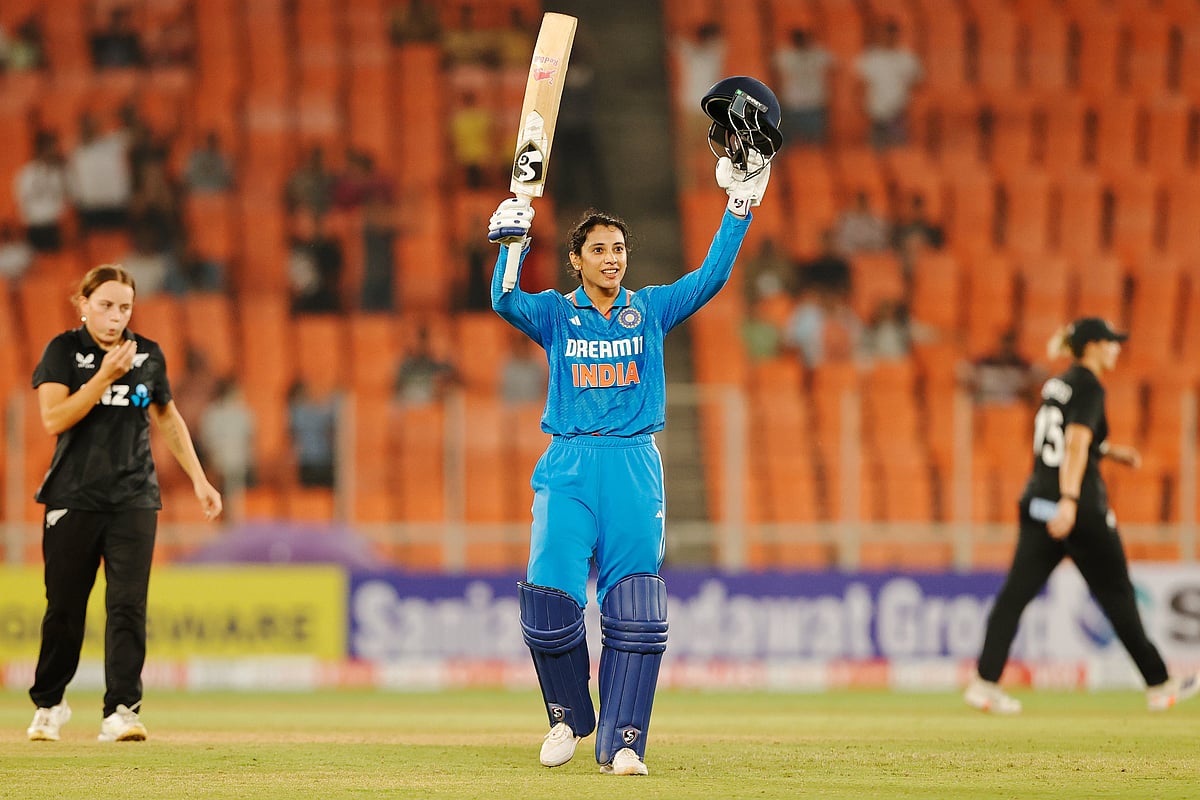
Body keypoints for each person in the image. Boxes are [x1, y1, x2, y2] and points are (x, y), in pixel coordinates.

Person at [488, 76, 779, 777]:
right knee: (549, 606)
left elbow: (710, 276)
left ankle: (624, 743)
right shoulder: (556, 315)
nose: (614, 257)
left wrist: (740, 204)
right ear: (578, 260)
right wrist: (508, 242)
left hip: (632, 467)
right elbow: (503, 300)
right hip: (567, 465)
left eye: (620, 248)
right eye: (600, 249)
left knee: (637, 613)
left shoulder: (647, 310)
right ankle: (570, 719)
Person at [25, 263, 223, 743]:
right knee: (65, 608)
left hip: (134, 498)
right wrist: (102, 378)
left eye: (125, 307)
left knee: (128, 606)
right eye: (106, 305)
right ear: (84, 305)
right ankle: (50, 703)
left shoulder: (148, 355)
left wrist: (200, 479)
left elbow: (169, 419)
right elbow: (55, 419)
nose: (116, 317)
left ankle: (121, 711)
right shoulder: (63, 352)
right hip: (73, 496)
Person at [964, 318, 1199, 714]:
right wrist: (1070, 500)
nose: (1116, 349)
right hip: (1079, 508)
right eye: (1111, 342)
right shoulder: (1090, 384)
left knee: (1014, 596)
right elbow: (1073, 444)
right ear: (1091, 345)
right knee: (1117, 594)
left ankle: (984, 684)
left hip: (1037, 500)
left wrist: (1107, 451)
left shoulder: (1057, 383)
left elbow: (1060, 439)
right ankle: (1159, 684)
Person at [854, 20, 922, 150]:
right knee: (877, 152)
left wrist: (911, 105)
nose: (887, 37)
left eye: (891, 34)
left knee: (898, 150)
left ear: (896, 35)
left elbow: (918, 84)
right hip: (876, 111)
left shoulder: (907, 58)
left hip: (899, 111)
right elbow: (859, 85)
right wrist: (860, 106)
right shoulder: (869, 58)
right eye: (884, 33)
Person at [772, 28, 834, 146]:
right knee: (789, 144)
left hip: (815, 103)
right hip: (792, 104)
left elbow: (834, 68)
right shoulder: (785, 55)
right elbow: (778, 79)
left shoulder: (818, 54)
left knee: (816, 145)